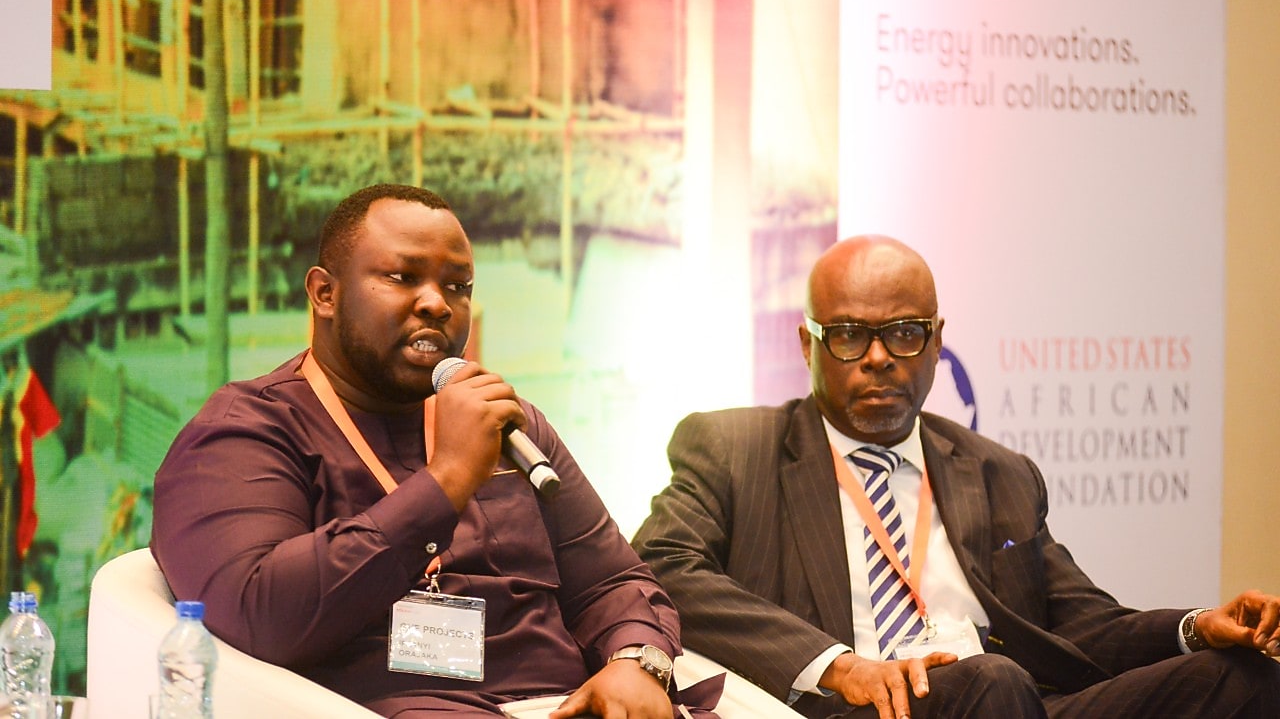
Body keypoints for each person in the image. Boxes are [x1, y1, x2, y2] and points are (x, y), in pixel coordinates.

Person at [632, 233, 1280, 719]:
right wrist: (838, 665)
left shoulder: (999, 472)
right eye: (850, 335)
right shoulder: (734, 448)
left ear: (938, 339)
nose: (879, 357)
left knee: (1246, 679)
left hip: (1009, 702)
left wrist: (1197, 627)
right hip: (853, 707)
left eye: (905, 333)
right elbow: (660, 565)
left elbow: (1082, 626)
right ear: (808, 345)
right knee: (993, 680)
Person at [152, 183, 716, 718]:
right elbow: (258, 612)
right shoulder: (246, 431)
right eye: (402, 277)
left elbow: (612, 581)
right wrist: (444, 482)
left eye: (457, 286)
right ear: (325, 293)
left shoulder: (506, 424)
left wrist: (636, 663)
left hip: (568, 701)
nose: (437, 305)